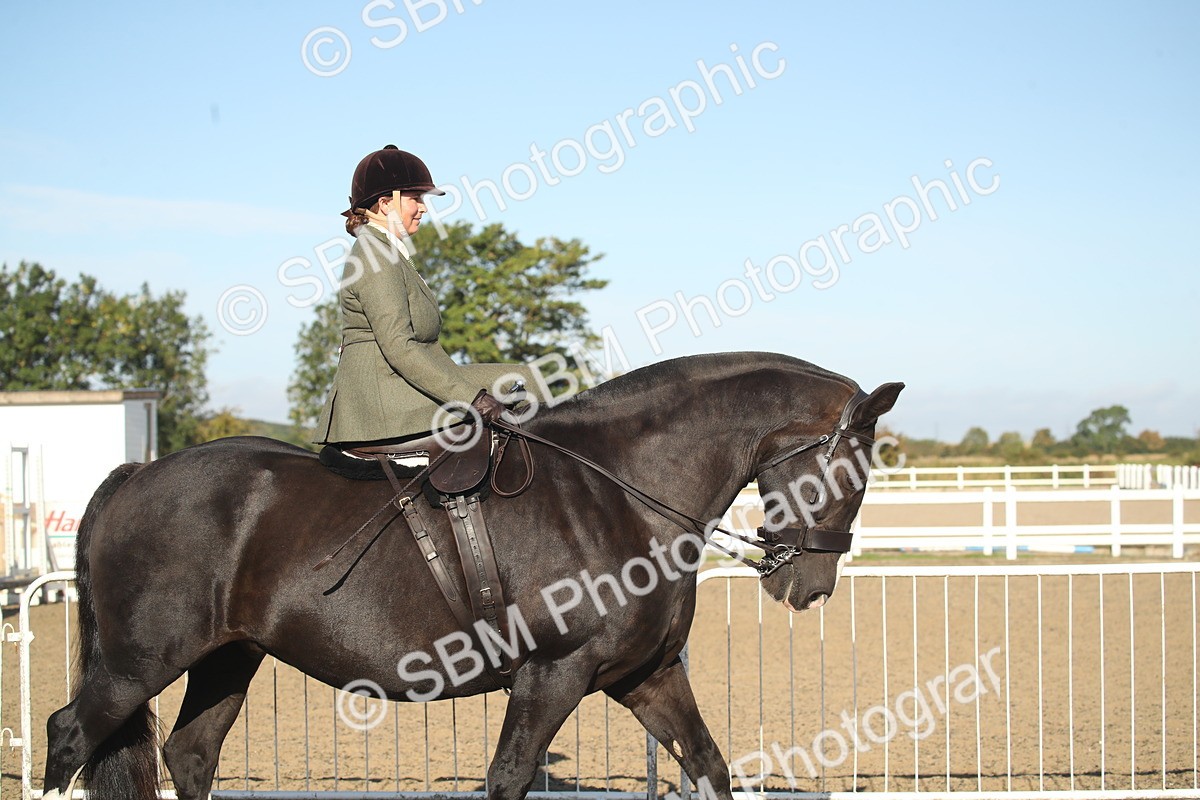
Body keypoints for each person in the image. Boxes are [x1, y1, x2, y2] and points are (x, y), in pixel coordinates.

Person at [315, 145, 540, 448]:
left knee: (526, 379)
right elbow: (399, 347)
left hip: (397, 383)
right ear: (385, 204)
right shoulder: (375, 255)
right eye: (416, 199)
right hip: (384, 395)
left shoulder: (387, 250)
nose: (423, 208)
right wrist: (471, 399)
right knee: (528, 384)